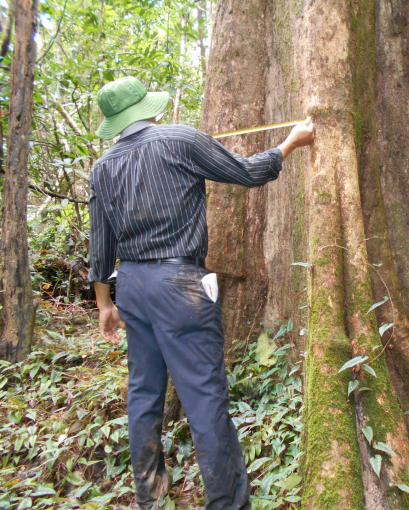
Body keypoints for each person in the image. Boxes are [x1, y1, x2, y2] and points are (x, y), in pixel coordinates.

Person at [88, 76, 314, 510]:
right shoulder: (180, 139)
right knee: (205, 397)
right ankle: (227, 504)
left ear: (116, 122)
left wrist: (104, 304)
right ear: (149, 109)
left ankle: (150, 498)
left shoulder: (103, 167)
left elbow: (100, 247)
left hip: (132, 287)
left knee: (143, 394)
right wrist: (290, 142)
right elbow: (248, 173)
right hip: (180, 287)